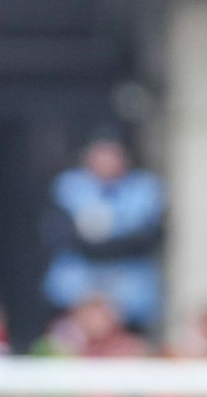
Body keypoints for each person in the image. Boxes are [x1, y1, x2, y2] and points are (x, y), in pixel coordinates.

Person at [40, 130, 165, 334]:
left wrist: (107, 245)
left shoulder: (145, 188)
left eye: (113, 155)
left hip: (128, 284)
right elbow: (58, 232)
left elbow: (149, 236)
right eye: (101, 154)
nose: (107, 162)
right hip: (78, 280)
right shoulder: (69, 186)